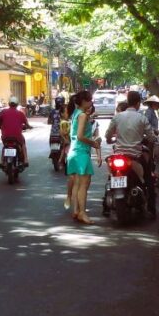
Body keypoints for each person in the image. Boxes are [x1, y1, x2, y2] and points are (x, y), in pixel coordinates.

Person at [105, 91, 159, 212]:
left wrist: (110, 139)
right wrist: (154, 139)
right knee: (149, 179)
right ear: (138, 103)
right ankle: (151, 208)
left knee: (110, 178)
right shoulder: (142, 118)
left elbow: (108, 135)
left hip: (118, 155)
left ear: (127, 102)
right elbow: (151, 136)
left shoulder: (117, 117)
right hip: (135, 156)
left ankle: (105, 206)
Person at [65, 91, 101, 224]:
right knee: (83, 185)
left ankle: (76, 210)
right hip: (81, 152)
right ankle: (82, 213)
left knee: (78, 183)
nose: (91, 102)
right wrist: (94, 143)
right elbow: (80, 136)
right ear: (84, 102)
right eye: (90, 100)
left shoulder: (75, 114)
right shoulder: (82, 116)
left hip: (74, 151)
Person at [0, 96, 30, 167]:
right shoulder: (20, 113)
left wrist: (0, 125)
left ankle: (2, 161)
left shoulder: (3, 112)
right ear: (17, 104)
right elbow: (27, 124)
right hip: (17, 137)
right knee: (23, 144)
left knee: (5, 146)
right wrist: (29, 127)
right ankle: (25, 160)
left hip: (5, 136)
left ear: (9, 104)